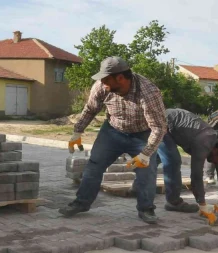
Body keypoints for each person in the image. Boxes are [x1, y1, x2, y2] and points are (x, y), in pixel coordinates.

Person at [59, 56, 167, 224]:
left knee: (147, 170)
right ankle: (81, 203)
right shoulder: (101, 87)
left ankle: (146, 209)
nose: (103, 83)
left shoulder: (148, 92)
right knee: (94, 166)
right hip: (112, 132)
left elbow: (159, 127)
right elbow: (90, 109)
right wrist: (77, 131)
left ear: (120, 78)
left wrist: (146, 153)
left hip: (141, 135)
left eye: (106, 79)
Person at [157, 108, 218, 225]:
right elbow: (196, 176)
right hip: (163, 122)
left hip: (179, 127)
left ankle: (138, 187)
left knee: (156, 158)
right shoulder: (204, 143)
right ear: (217, 151)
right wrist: (202, 205)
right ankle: (173, 202)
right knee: (173, 160)